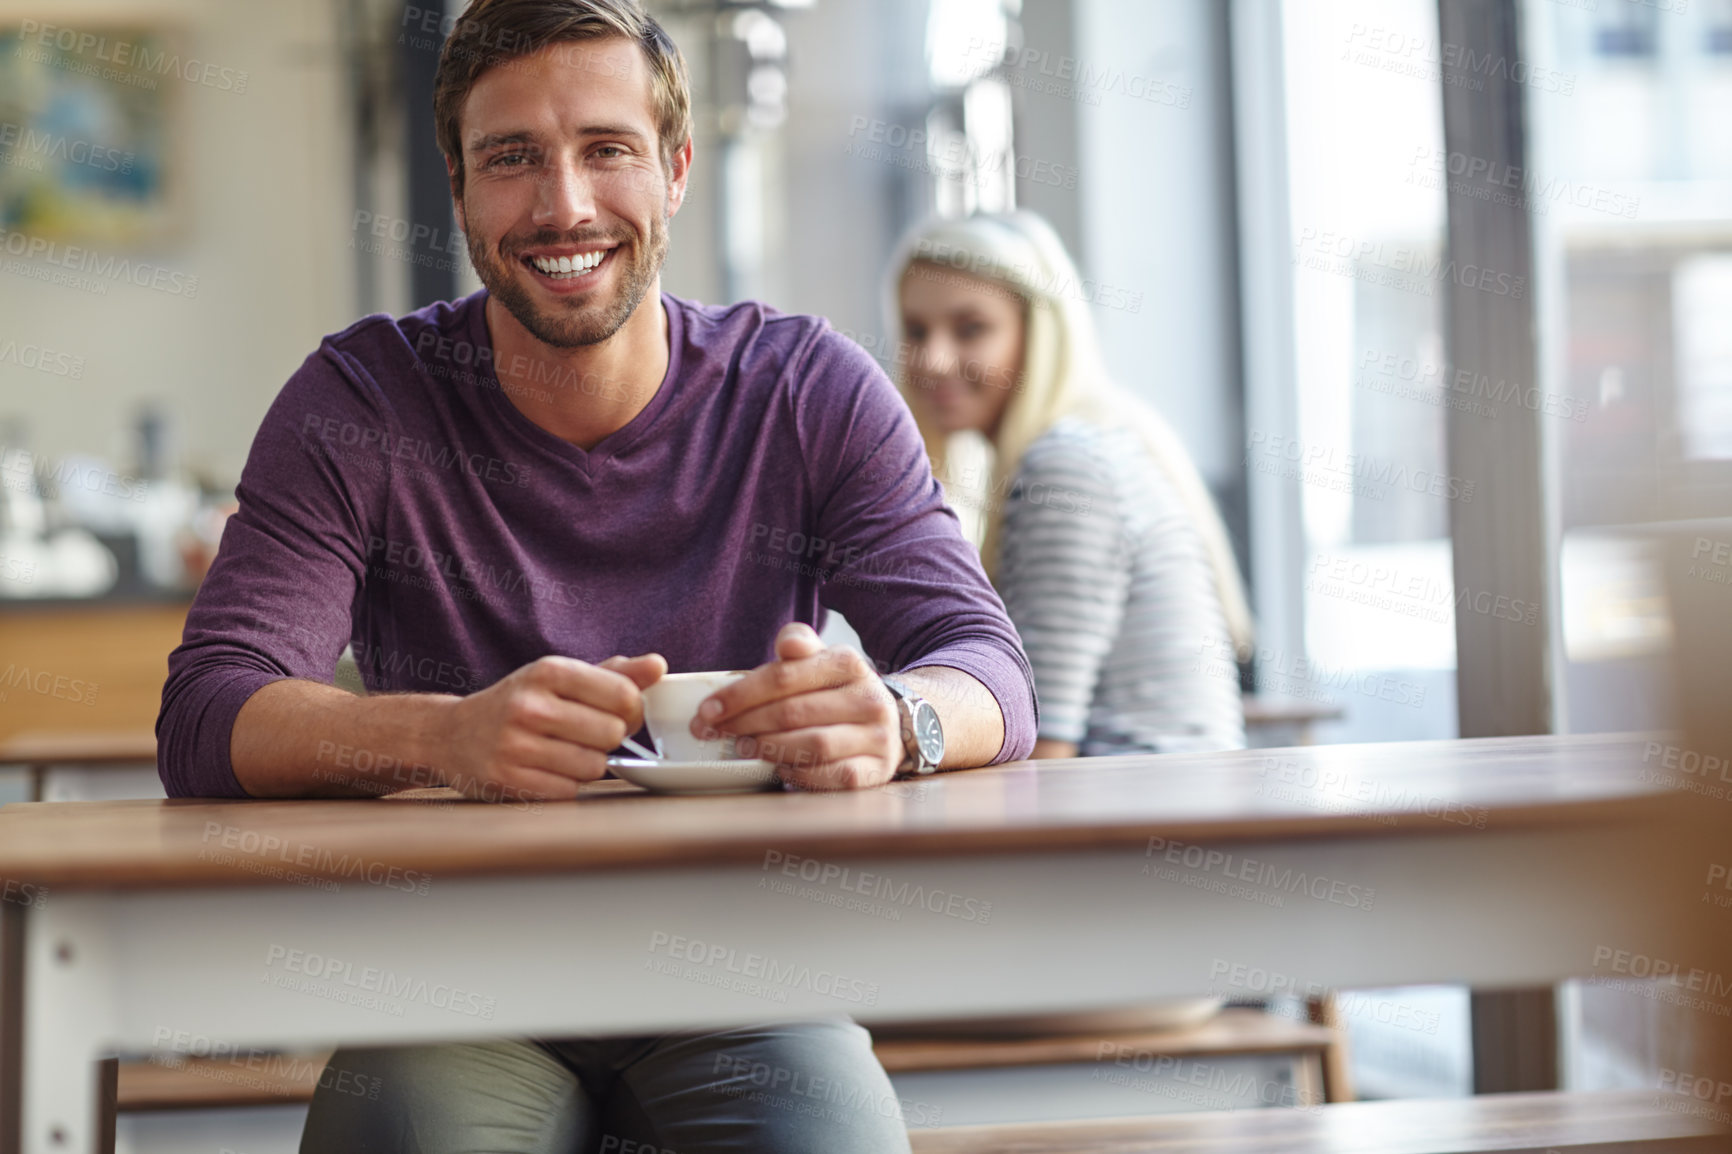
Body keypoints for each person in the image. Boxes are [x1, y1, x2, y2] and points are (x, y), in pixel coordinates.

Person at [156, 1, 1036, 1150]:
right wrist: (445, 737)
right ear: (460, 190)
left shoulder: (809, 390)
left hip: (746, 972)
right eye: (511, 158)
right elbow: (209, 711)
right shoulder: (359, 403)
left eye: (605, 150)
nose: (562, 204)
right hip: (452, 977)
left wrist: (899, 716)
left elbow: (992, 672)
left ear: (674, 170)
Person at [891, 211, 1251, 758]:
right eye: (916, 331)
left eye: (971, 329)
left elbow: (1037, 740)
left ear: (1040, 335)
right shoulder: (1103, 437)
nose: (933, 359)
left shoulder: (1065, 469)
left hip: (1134, 821)